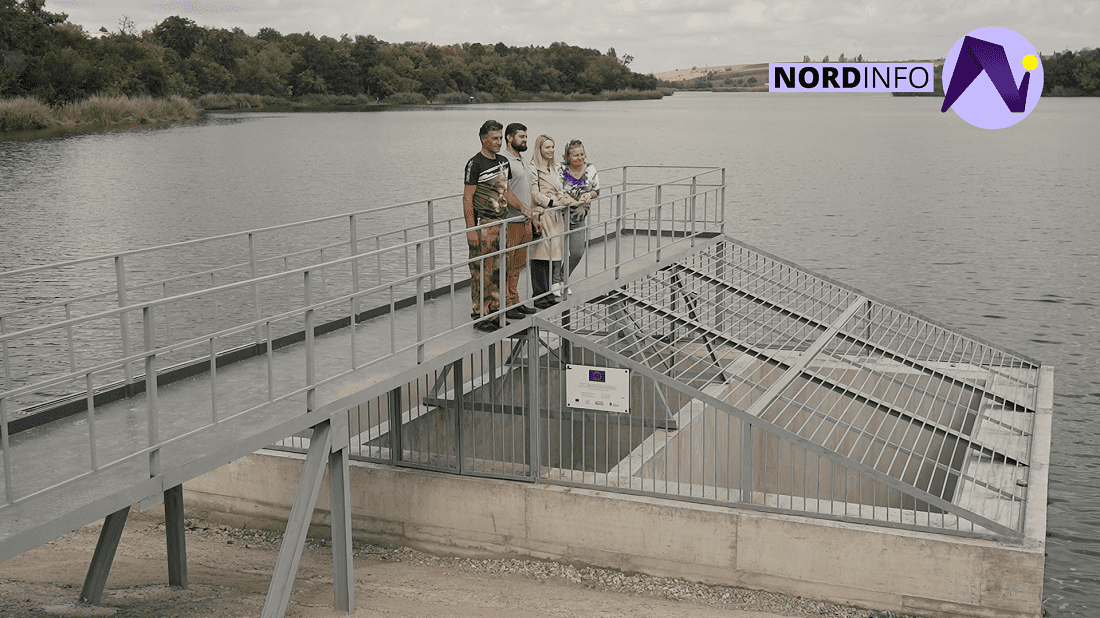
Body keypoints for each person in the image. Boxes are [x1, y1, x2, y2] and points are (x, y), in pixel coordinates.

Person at [462, 120, 539, 332]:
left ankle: (495, 312)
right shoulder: (475, 163)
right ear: (483, 139)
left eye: (499, 138)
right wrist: (471, 229)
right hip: (484, 224)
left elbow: (507, 192)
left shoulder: (503, 162)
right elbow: (467, 198)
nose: (498, 142)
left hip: (503, 223)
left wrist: (524, 208)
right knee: (482, 271)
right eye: (494, 138)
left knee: (499, 270)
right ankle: (480, 315)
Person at [500, 123, 541, 317]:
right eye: (521, 137)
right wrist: (522, 208)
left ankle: (514, 300)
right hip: (511, 221)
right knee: (509, 264)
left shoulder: (523, 161)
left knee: (519, 264)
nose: (525, 140)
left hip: (525, 221)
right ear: (509, 138)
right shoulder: (503, 161)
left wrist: (533, 215)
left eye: (526, 136)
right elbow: (505, 191)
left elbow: (527, 191)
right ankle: (506, 304)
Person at [528, 135, 574, 308]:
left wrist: (563, 199)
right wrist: (553, 202)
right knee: (540, 255)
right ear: (539, 148)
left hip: (555, 215)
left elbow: (559, 187)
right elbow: (534, 193)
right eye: (547, 147)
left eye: (553, 147)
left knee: (553, 255)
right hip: (544, 213)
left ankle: (547, 293)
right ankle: (539, 295)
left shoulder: (553, 167)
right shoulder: (534, 168)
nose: (551, 150)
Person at [559, 139, 600, 278]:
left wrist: (588, 195)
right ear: (567, 156)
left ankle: (562, 278)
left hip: (578, 218)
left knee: (577, 253)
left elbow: (596, 191)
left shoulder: (590, 169)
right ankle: (555, 283)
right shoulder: (560, 168)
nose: (580, 158)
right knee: (557, 253)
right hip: (559, 217)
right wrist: (564, 196)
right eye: (576, 155)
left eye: (582, 154)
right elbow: (555, 189)